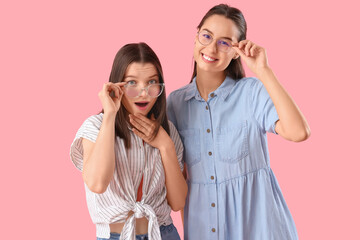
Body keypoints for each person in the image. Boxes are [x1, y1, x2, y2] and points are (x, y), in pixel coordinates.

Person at [167, 4, 311, 240]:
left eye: (225, 42)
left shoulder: (251, 92)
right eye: (207, 36)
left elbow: (298, 132)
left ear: (237, 51)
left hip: (260, 229)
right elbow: (180, 179)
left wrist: (263, 70)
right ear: (196, 37)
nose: (212, 48)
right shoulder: (175, 103)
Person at [70, 42, 187, 240]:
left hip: (163, 233)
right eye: (132, 83)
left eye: (152, 82)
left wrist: (165, 145)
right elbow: (97, 183)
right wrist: (110, 115)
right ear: (117, 85)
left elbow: (177, 203)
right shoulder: (95, 126)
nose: (143, 92)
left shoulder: (167, 132)